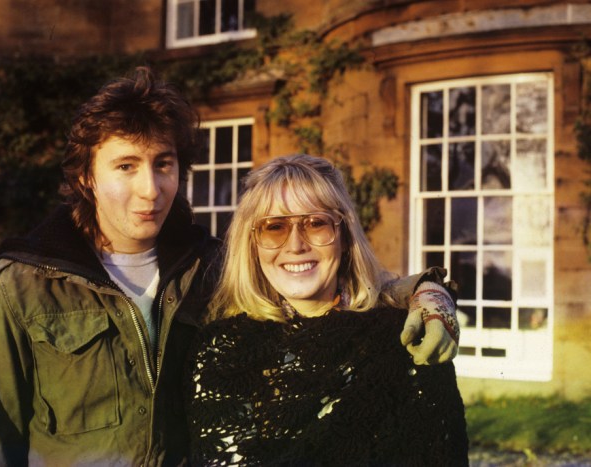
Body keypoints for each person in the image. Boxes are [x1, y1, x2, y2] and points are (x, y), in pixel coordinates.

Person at [0, 68, 458, 466]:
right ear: (86, 178)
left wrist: (432, 298)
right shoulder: (22, 288)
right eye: (126, 166)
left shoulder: (208, 269)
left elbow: (351, 287)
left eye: (163, 164)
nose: (151, 188)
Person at [185, 154, 468, 466]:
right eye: (274, 227)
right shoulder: (221, 352)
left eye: (316, 223)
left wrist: (430, 291)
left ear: (344, 237)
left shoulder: (404, 341)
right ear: (251, 244)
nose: (295, 245)